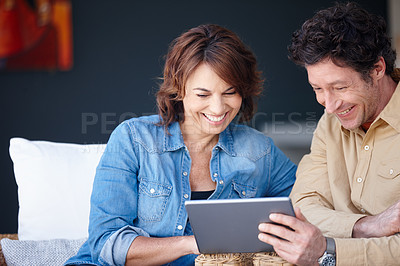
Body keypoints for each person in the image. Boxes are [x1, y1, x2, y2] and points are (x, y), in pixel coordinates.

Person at [65, 24, 297, 266]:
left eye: (230, 92)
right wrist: (193, 243)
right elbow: (106, 243)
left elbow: (309, 205)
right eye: (203, 95)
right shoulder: (133, 139)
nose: (218, 108)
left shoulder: (259, 151)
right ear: (179, 90)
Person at [257, 2, 400, 265]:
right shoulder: (330, 123)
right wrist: (366, 226)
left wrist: (327, 249)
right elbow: (303, 207)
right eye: (318, 89)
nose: (330, 106)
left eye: (340, 87)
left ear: (378, 69)